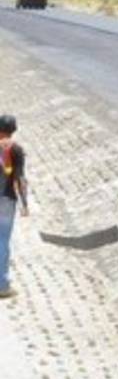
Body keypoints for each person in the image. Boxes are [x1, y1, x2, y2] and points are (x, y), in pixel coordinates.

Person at [0, 114, 30, 300]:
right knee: (2, 240)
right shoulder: (16, 149)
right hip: (5, 200)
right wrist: (24, 203)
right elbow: (20, 179)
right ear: (13, 130)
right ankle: (2, 286)